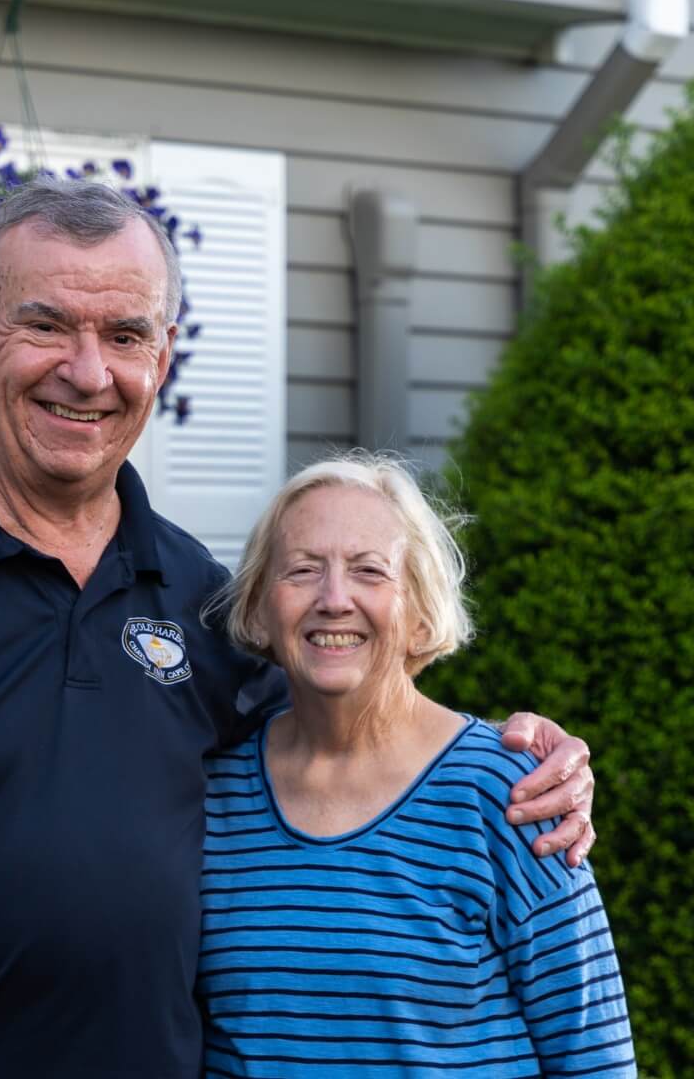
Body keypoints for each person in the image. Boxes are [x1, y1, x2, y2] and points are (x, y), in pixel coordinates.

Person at [0, 177, 600, 1078]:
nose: (88, 372)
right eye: (46, 325)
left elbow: (351, 740)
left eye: (125, 336)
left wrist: (524, 757)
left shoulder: (202, 603)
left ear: (162, 358)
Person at [196, 453, 633, 1077]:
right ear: (261, 609)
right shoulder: (215, 795)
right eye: (302, 570)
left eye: (370, 571)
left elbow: (595, 1060)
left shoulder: (510, 795)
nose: (334, 598)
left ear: (422, 612)